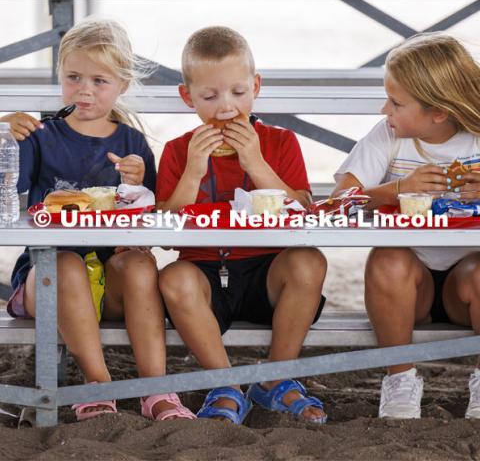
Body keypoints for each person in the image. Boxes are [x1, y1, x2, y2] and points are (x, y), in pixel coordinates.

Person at [7, 17, 195, 422]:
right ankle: (98, 383)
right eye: (73, 77)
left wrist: (140, 185)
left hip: (110, 284)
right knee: (67, 262)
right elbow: (7, 186)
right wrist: (4, 137)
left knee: (142, 263)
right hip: (49, 282)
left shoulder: (132, 142)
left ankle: (155, 390)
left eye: (99, 80)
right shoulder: (41, 134)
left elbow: (152, 216)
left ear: (123, 84)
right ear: (60, 75)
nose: (85, 89)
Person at [156, 26, 328, 425]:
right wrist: (193, 172)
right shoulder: (178, 151)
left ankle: (274, 379)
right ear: (187, 97)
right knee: (172, 278)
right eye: (209, 96)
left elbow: (302, 211)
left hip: (268, 272)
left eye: (238, 92)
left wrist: (256, 164)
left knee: (310, 262)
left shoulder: (281, 142)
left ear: (256, 86)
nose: (226, 108)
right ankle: (226, 383)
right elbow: (163, 228)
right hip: (203, 273)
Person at [333, 32, 480, 419]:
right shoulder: (390, 137)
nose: (385, 110)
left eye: (396, 103)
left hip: (468, 285)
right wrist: (395, 189)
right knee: (387, 259)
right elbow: (338, 204)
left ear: (439, 112)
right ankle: (400, 379)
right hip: (408, 290)